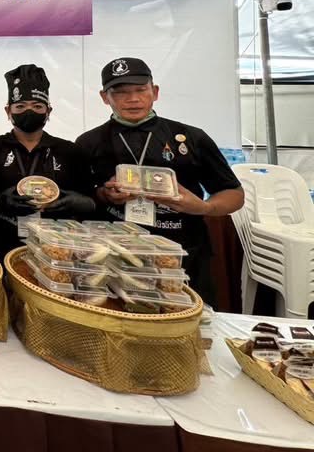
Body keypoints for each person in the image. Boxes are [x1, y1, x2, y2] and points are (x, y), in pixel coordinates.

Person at [75, 57, 244, 305]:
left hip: (183, 251)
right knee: (118, 318)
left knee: (187, 317)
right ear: (104, 97)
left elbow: (234, 193)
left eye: (140, 90)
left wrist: (203, 207)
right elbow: (81, 198)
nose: (132, 99)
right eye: (120, 92)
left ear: (154, 92)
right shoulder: (88, 143)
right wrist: (104, 194)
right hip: (116, 255)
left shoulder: (190, 138)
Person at [0, 64, 95, 261]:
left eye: (37, 106)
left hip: (58, 247)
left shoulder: (70, 151)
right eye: (20, 106)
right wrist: (1, 202)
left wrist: (75, 202)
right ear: (8, 111)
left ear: (48, 111)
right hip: (5, 244)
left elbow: (91, 201)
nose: (29, 111)